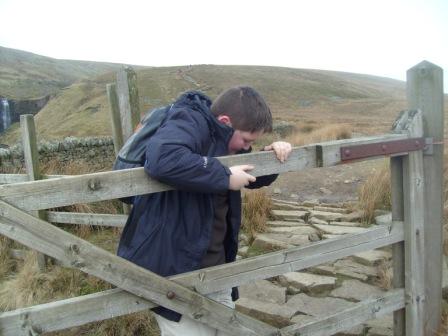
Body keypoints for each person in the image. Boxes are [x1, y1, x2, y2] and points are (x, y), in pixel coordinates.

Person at [117, 86, 292, 336]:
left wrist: (271, 156)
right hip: (172, 271)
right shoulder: (189, 120)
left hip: (215, 270)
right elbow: (163, 158)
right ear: (224, 122)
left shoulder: (224, 140)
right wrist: (224, 176)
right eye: (246, 140)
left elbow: (246, 174)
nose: (246, 147)